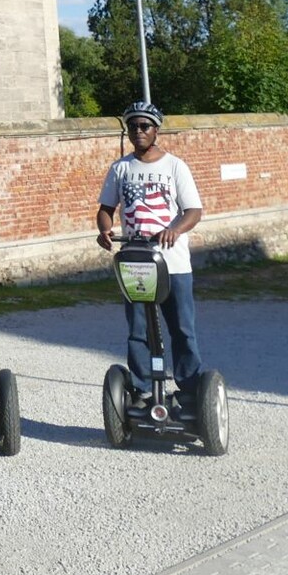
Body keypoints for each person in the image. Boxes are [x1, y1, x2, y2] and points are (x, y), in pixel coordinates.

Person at [95, 101, 205, 407]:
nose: (138, 132)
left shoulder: (174, 166)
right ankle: (143, 389)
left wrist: (175, 229)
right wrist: (105, 230)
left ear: (156, 130)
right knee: (138, 330)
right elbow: (105, 209)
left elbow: (194, 211)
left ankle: (190, 391)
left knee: (181, 328)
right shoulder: (121, 168)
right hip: (136, 260)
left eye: (144, 126)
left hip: (173, 262)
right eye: (133, 127)